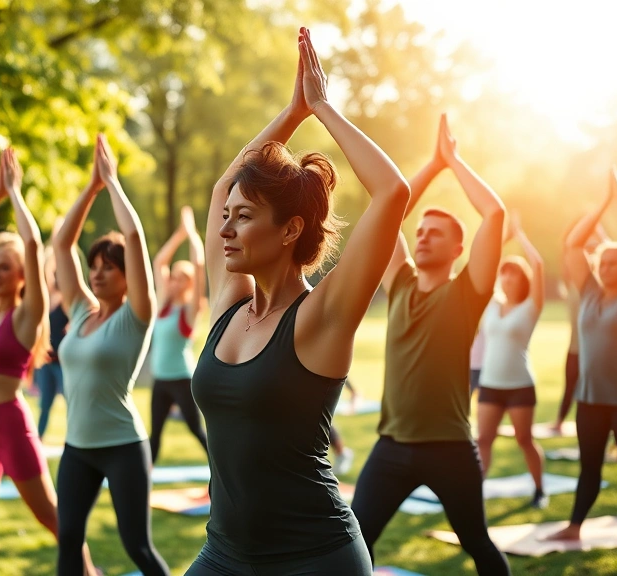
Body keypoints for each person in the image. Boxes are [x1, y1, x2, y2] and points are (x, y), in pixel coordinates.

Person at [185, 27, 409, 575]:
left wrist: (324, 109)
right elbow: (223, 187)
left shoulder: (320, 318)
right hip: (225, 556)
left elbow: (393, 192)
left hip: (313, 560)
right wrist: (293, 112)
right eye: (227, 219)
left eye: (244, 217)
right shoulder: (230, 307)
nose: (226, 229)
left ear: (290, 231)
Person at [350, 114, 511, 575]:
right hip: (392, 446)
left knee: (476, 540)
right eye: (419, 232)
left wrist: (453, 163)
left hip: (449, 447)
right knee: (356, 541)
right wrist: (431, 164)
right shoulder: (398, 281)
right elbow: (389, 206)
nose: (422, 237)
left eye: (435, 233)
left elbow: (494, 214)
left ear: (458, 249)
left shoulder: (467, 292)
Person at [0, 149, 96, 576]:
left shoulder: (26, 314)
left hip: (8, 425)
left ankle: (88, 572)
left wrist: (15, 194)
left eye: (4, 269)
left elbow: (33, 243)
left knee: (53, 518)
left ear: (22, 276)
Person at [53, 134, 169, 576]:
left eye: (109, 267)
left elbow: (134, 236)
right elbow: (62, 245)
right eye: (94, 266)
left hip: (122, 446)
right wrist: (91, 188)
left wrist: (113, 182)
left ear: (127, 277)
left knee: (136, 547)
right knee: (67, 543)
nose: (97, 273)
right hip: (77, 448)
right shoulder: (80, 310)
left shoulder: (136, 315)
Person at [547, 166, 617, 541]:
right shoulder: (588, 291)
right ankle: (573, 527)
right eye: (601, 262)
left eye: (612, 263)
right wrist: (602, 204)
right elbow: (573, 245)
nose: (603, 267)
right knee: (589, 467)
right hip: (589, 400)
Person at [475, 213, 547, 508]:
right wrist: (502, 239)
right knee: (483, 441)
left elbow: (539, 265)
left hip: (519, 385)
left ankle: (540, 490)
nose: (506, 277)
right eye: (504, 273)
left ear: (523, 279)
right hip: (490, 383)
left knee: (524, 440)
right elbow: (486, 266)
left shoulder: (532, 306)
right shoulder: (491, 303)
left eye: (513, 273)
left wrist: (520, 236)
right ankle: (474, 494)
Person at [149, 205, 208, 464]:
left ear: (189, 284)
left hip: (183, 380)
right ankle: (143, 483)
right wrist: (179, 234)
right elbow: (158, 262)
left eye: (179, 278)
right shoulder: (162, 305)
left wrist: (193, 234)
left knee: (197, 431)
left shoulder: (189, 310)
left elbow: (198, 263)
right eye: (172, 277)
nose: (172, 281)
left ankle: (222, 475)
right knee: (154, 436)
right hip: (160, 380)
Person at [550, 224, 607, 435]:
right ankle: (559, 421)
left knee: (600, 393)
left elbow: (613, 253)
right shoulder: (574, 282)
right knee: (570, 386)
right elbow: (569, 252)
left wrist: (601, 236)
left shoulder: (600, 287)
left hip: (597, 351)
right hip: (575, 347)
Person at [36, 217, 68, 440]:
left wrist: (62, 242)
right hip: (47, 362)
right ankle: (37, 439)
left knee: (73, 404)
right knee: (45, 405)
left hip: (64, 363)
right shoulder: (47, 297)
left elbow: (64, 263)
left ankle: (74, 439)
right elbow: (45, 268)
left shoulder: (66, 298)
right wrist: (54, 244)